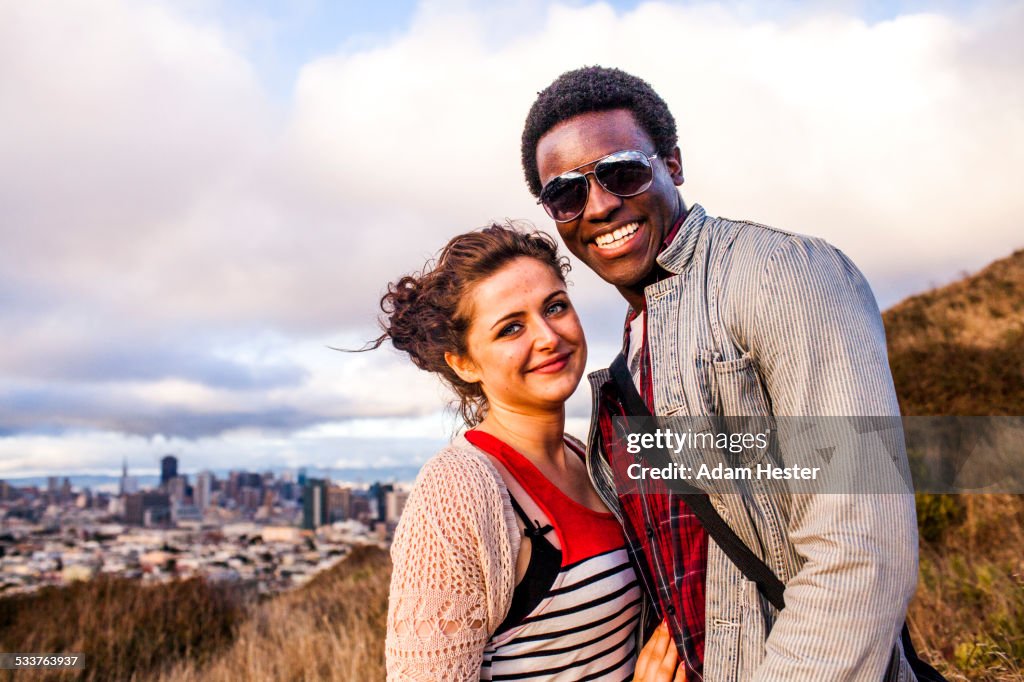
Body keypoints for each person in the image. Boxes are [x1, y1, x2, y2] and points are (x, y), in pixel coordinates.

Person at [520, 66, 920, 681]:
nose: (599, 206)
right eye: (567, 193)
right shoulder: (632, 352)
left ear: (672, 165)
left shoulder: (780, 274)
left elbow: (861, 552)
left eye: (621, 171)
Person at [378, 225, 670, 680]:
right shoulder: (460, 491)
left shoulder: (593, 459)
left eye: (555, 307)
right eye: (511, 328)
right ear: (465, 363)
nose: (548, 336)